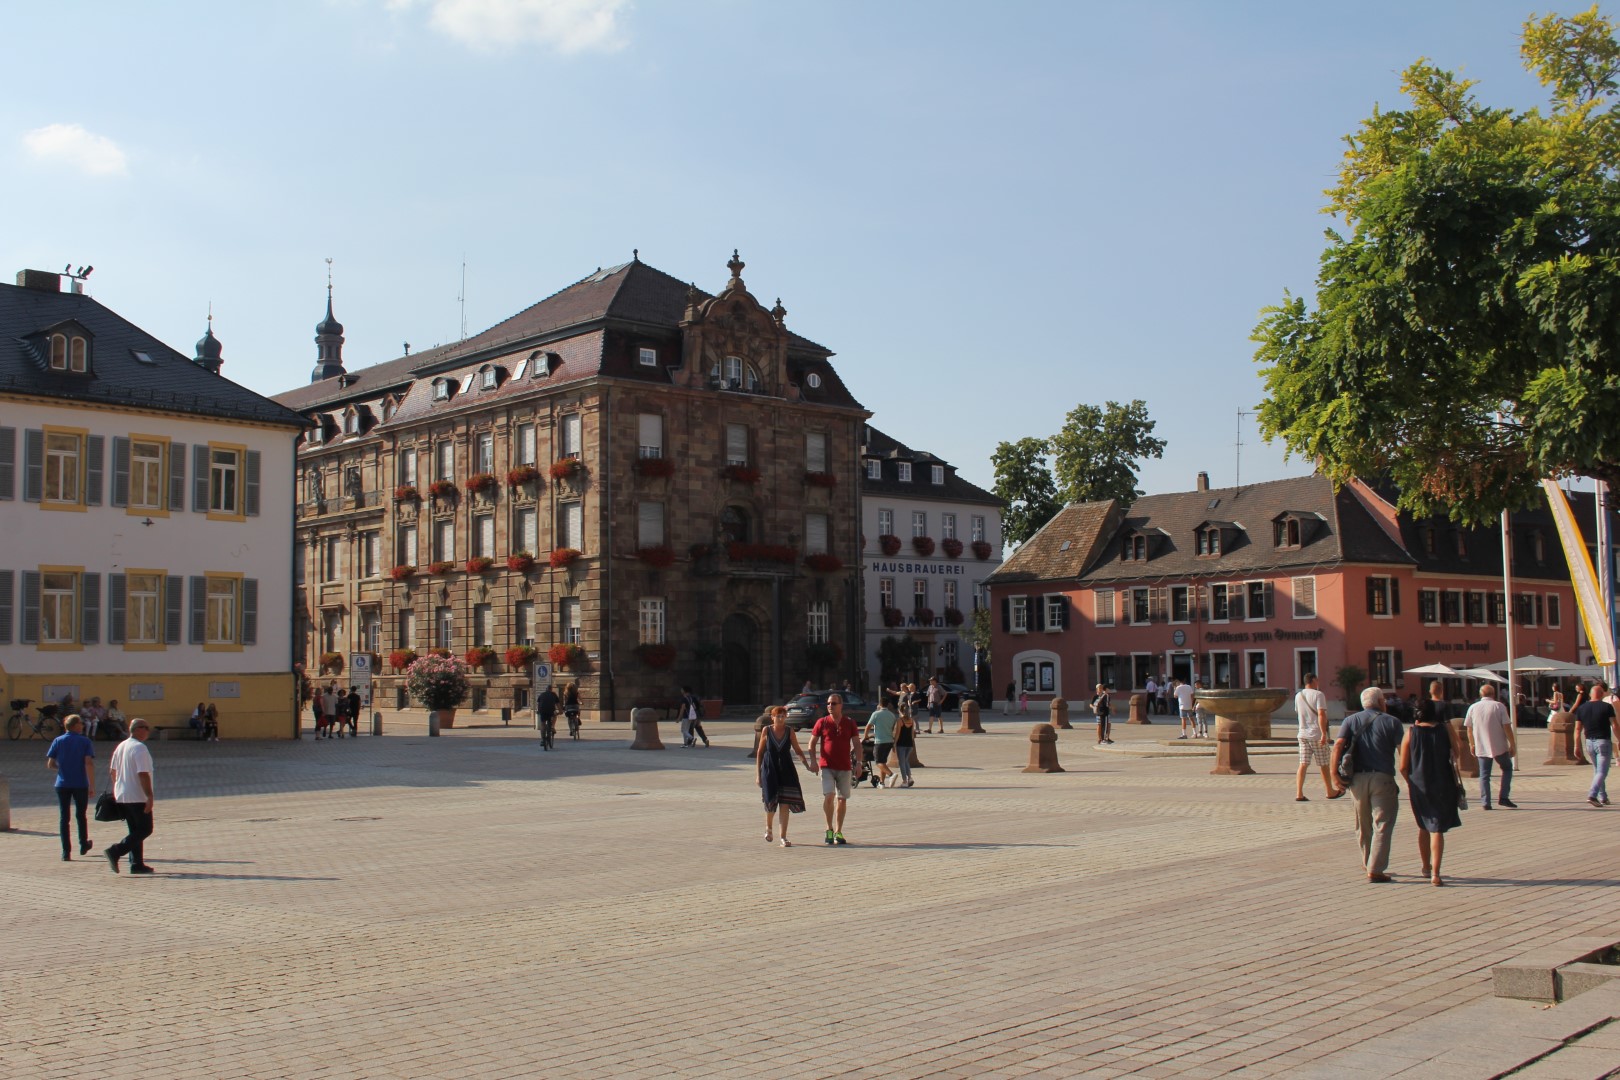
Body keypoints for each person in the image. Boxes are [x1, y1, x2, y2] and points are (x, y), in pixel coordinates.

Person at [1330, 687, 1405, 883]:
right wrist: (1409, 776)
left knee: (1362, 824)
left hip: (1357, 779)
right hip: (1383, 777)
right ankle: (1376, 868)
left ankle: (1367, 861)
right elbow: (1402, 751)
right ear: (1381, 702)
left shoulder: (1350, 720)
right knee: (1383, 823)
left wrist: (1333, 774)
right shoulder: (1392, 722)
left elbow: (1338, 745)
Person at [1400, 698, 1463, 886]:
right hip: (1443, 783)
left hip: (1419, 785)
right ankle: (1436, 873)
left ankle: (1426, 867)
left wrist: (1410, 782)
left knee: (1423, 825)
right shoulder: (1445, 729)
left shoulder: (1410, 733)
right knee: (1437, 828)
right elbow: (1457, 752)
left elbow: (1403, 766)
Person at [808, 694, 862, 845]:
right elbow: (811, 743)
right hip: (826, 766)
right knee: (829, 796)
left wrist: (859, 763)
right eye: (828, 704)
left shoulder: (849, 723)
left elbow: (857, 744)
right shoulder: (822, 722)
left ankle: (838, 831)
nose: (830, 706)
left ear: (841, 705)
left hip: (845, 767)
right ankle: (829, 828)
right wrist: (813, 761)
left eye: (834, 703)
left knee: (842, 799)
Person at [105, 718, 156, 874]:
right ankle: (116, 850)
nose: (148, 730)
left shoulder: (121, 746)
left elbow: (112, 771)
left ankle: (136, 863)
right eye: (145, 727)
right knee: (145, 829)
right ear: (136, 729)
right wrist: (149, 796)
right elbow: (143, 774)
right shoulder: (139, 748)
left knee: (135, 829)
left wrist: (117, 787)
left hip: (123, 794)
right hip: (137, 795)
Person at [756, 705, 810, 847]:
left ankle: (783, 837)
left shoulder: (789, 731)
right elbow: (760, 753)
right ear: (772, 717)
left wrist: (807, 764)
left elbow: (798, 749)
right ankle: (768, 828)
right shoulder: (766, 730)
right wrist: (758, 774)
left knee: (785, 803)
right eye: (777, 716)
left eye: (782, 715)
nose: (780, 718)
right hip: (769, 769)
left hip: (786, 769)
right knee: (770, 800)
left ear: (786, 717)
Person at [46, 714, 95, 861]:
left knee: (64, 817)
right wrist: (91, 785)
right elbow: (88, 763)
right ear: (75, 726)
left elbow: (50, 764)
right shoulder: (85, 741)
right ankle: (83, 843)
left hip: (62, 783)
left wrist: (62, 769)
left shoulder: (58, 740)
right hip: (80, 783)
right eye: (80, 723)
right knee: (81, 815)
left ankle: (66, 851)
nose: (82, 726)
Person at [1464, 684, 1517, 809]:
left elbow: (1469, 729)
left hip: (1481, 745)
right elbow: (1507, 726)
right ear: (1493, 694)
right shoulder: (1499, 706)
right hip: (1499, 745)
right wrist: (1512, 744)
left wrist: (1472, 744)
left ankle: (1486, 802)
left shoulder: (1473, 707)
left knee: (1484, 774)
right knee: (1507, 768)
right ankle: (1503, 797)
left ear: (1481, 694)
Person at [1293, 673, 1341, 801]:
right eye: (1317, 680)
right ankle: (1329, 791)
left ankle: (1299, 793)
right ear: (1313, 680)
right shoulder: (1318, 695)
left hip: (1302, 734)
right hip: (1316, 735)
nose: (1318, 682)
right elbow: (1321, 714)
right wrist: (1324, 733)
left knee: (1303, 764)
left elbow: (1298, 713)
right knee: (1324, 764)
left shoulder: (1298, 695)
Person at [1574, 683, 1615, 807]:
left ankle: (1603, 797)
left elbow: (1577, 729)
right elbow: (1615, 725)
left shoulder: (1582, 708)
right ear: (1602, 694)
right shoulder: (1607, 707)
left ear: (1590, 695)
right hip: (1603, 742)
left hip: (1589, 742)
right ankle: (1592, 795)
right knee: (1602, 771)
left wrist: (1576, 745)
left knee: (1597, 770)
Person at [864, 694, 899, 788]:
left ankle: (891, 775)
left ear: (879, 704)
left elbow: (868, 726)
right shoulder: (892, 715)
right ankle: (882, 783)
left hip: (880, 741)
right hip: (889, 741)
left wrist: (866, 736)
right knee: (883, 762)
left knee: (878, 762)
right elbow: (892, 728)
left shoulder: (876, 714)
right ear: (888, 705)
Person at [535, 684, 560, 748]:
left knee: (543, 724)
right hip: (551, 711)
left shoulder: (542, 694)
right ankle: (552, 727)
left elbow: (538, 704)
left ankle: (543, 740)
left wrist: (538, 711)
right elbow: (558, 704)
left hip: (542, 710)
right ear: (551, 689)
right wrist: (560, 711)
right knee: (555, 715)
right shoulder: (554, 694)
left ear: (546, 689)